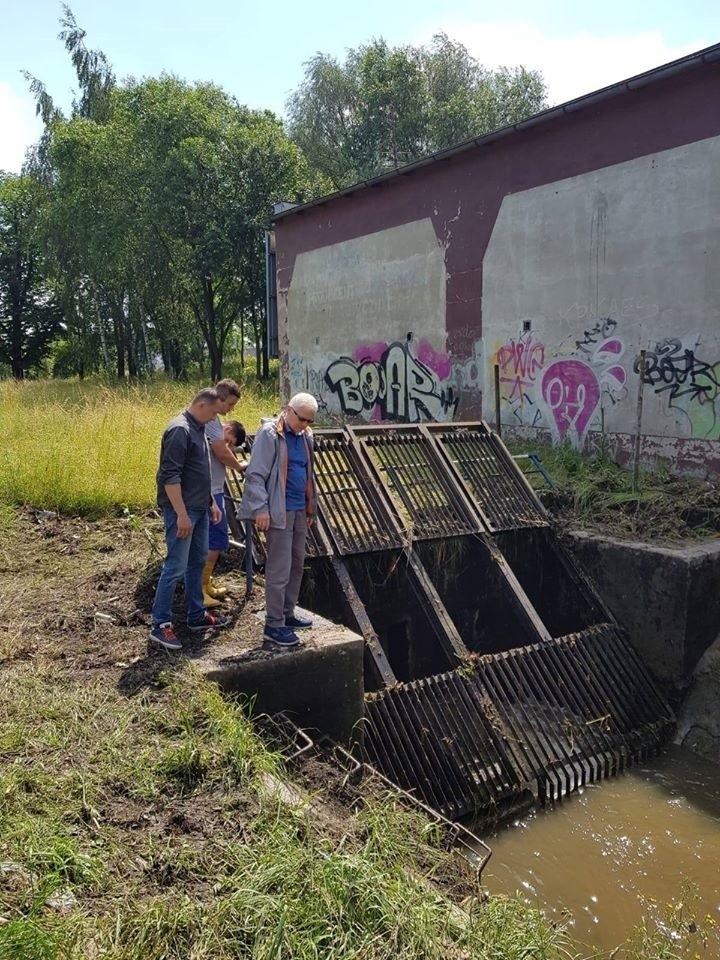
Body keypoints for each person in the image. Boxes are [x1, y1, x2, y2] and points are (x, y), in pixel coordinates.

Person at [149, 387, 230, 651]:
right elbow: (170, 476)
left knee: (197, 561)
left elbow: (198, 470)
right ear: (203, 405)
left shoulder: (198, 428)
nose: (215, 419)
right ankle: (160, 625)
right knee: (175, 566)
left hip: (200, 508)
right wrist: (182, 514)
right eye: (214, 413)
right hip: (182, 511)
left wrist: (209, 502)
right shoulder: (179, 430)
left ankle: (195, 616)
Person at [240, 393, 319, 647]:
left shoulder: (306, 436)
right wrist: (260, 508)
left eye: (309, 420)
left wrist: (310, 508)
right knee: (279, 567)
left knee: (297, 563)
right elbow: (255, 474)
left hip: (298, 510)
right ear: (288, 410)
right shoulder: (270, 434)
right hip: (277, 511)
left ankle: (287, 613)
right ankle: (273, 625)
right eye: (301, 418)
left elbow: (309, 475)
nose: (304, 424)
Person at [203, 417, 247, 607]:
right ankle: (201, 588)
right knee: (215, 541)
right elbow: (222, 454)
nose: (228, 445)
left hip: (215, 491)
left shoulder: (210, 431)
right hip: (210, 494)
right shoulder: (213, 433)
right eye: (229, 440)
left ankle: (205, 583)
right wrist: (239, 466)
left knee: (215, 541)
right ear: (227, 428)